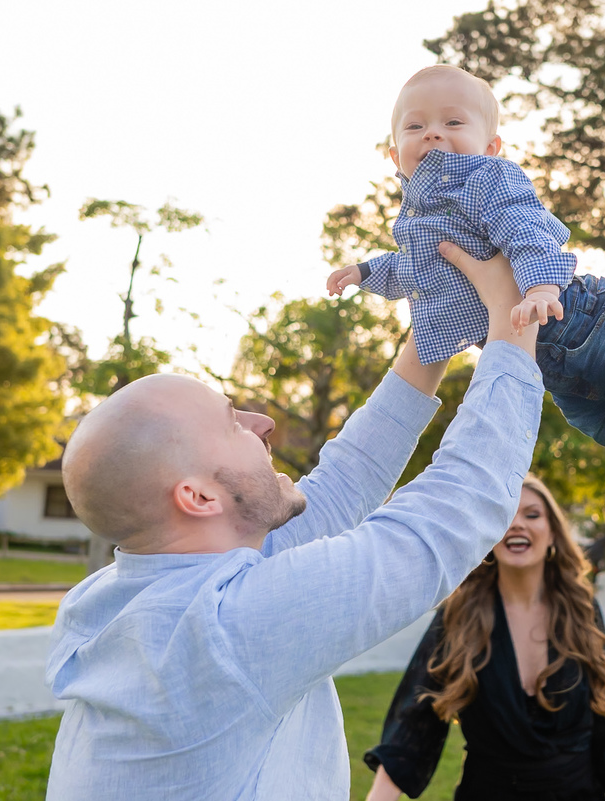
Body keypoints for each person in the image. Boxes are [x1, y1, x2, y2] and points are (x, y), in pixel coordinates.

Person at [44, 244, 545, 801]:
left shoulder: (147, 594)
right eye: (232, 424)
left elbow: (345, 482)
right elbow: (455, 511)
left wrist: (436, 322)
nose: (263, 422)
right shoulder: (224, 627)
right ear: (198, 496)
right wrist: (511, 315)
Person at [327, 65, 605, 451]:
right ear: (394, 157)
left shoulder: (487, 180)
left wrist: (540, 285)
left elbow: (526, 229)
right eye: (414, 127)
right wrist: (364, 272)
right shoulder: (415, 223)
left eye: (453, 121)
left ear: (490, 147)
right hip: (537, 357)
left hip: (573, 315)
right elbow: (409, 271)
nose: (433, 133)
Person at [364, 475, 605, 801]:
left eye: (532, 514)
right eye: (505, 514)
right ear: (488, 533)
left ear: (553, 532)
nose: (517, 524)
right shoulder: (460, 616)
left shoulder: (582, 612)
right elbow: (414, 725)